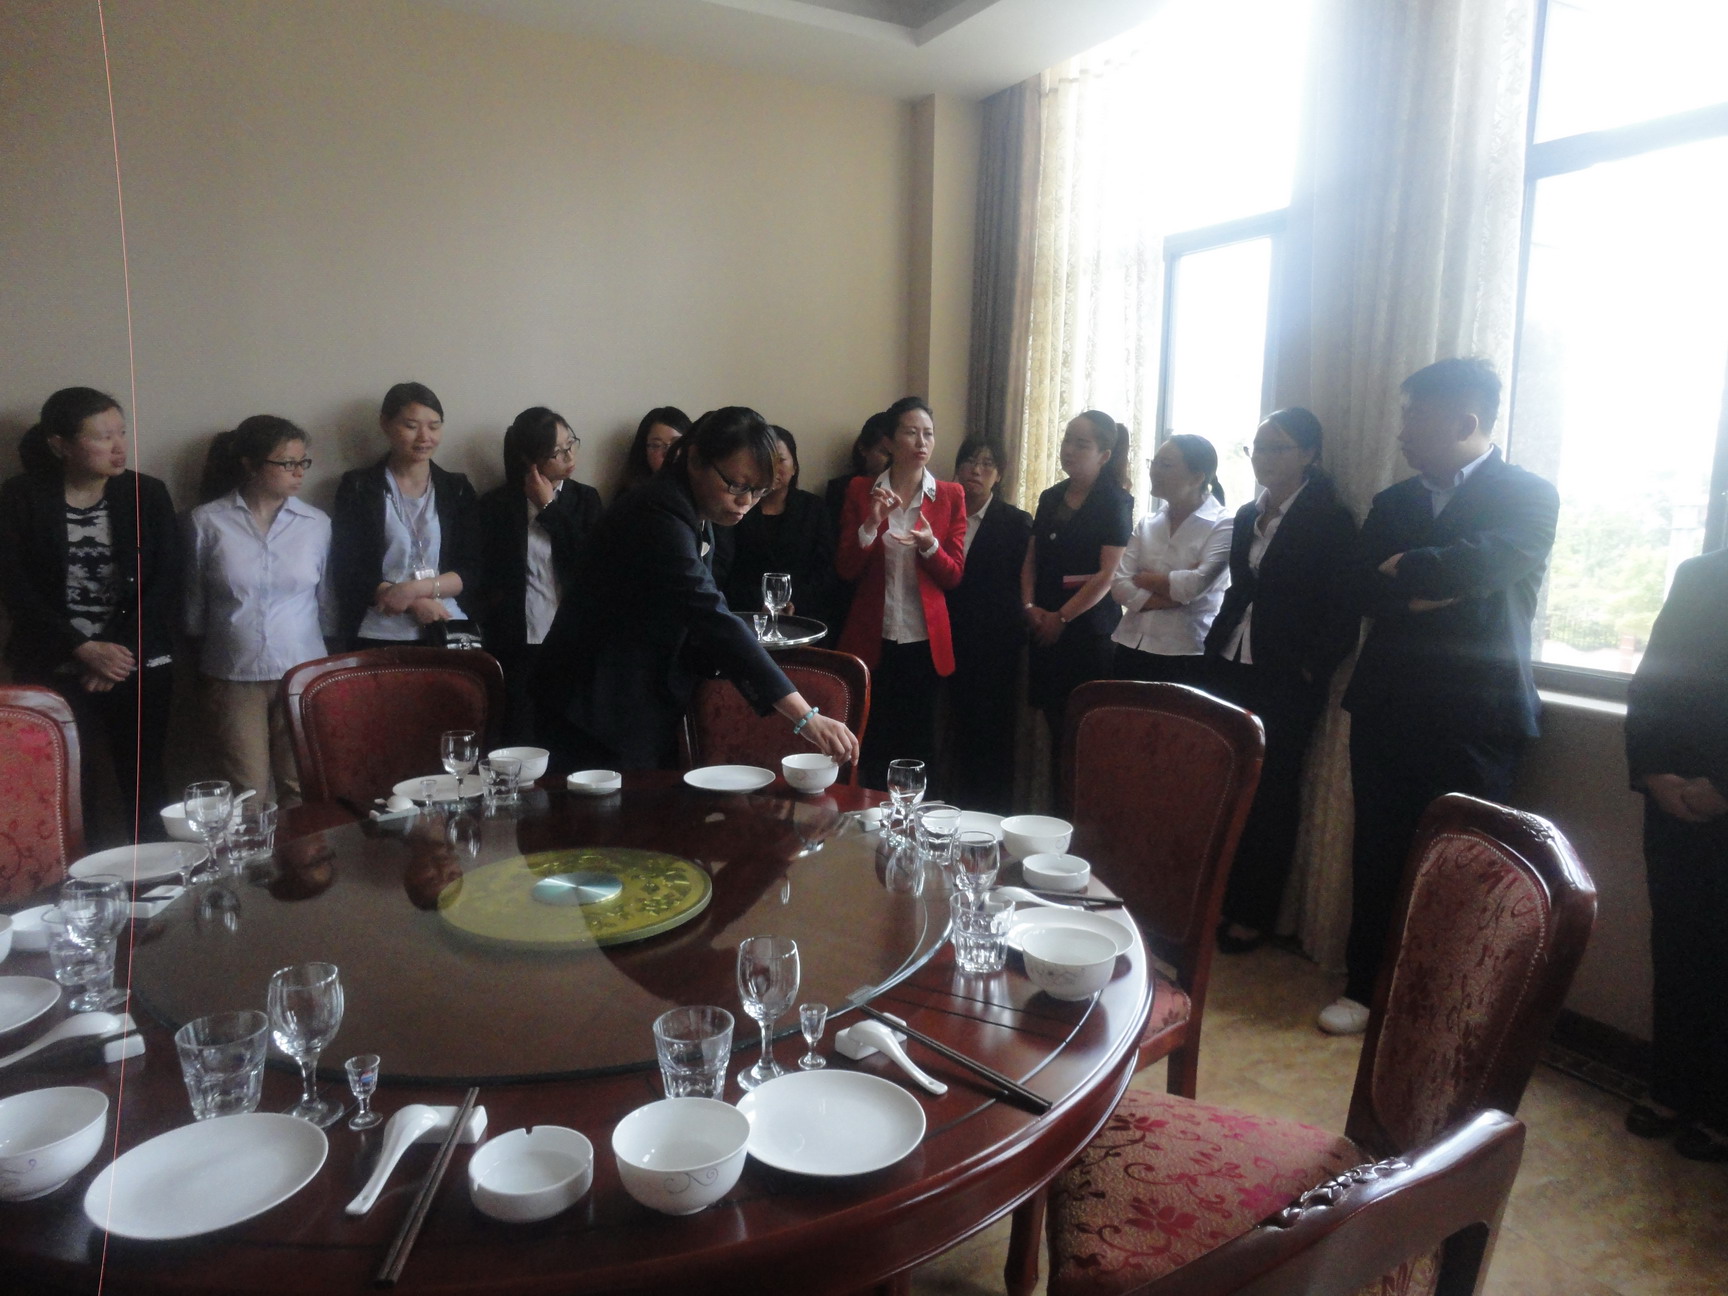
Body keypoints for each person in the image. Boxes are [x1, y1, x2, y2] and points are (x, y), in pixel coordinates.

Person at [1321, 357, 1558, 1035]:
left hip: (1476, 713)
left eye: (1413, 416)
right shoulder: (1393, 501)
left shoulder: (1529, 494)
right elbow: (1357, 587)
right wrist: (1421, 589)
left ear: (1464, 421)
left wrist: (1412, 567)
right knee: (1379, 852)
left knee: (1468, 862)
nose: (1401, 431)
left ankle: (1447, 1002)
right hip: (1387, 703)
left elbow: (1491, 560)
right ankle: (1365, 987)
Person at [532, 406, 858, 773]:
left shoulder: (697, 510)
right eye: (736, 485)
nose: (746, 502)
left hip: (634, 701)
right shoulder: (656, 512)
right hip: (591, 705)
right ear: (695, 459)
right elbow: (708, 612)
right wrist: (805, 716)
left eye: (759, 490)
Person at [1203, 409, 1360, 953]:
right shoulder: (1249, 513)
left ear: (1309, 455)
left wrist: (1309, 666)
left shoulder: (1330, 519)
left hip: (1287, 672)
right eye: (1259, 447)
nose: (1264, 458)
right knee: (1227, 782)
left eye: (1278, 447)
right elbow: (1241, 587)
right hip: (1232, 659)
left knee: (1272, 790)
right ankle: (1219, 897)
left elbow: (1342, 610)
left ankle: (1253, 910)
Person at [0, 387, 178, 841]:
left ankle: (155, 871)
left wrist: (114, 653)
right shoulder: (19, 497)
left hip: (135, 660)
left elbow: (165, 583)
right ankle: (86, 875)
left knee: (144, 777)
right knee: (70, 784)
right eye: (102, 437)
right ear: (60, 445)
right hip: (54, 664)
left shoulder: (146, 493)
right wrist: (82, 649)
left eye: (121, 433)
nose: (119, 447)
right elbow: (15, 588)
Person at [1623, 547, 1728, 1162]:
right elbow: (1652, 682)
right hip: (1674, 800)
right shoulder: (1700, 574)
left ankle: (1720, 1108)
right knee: (1678, 944)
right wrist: (1653, 773)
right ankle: (1671, 1087)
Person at [184, 415, 335, 803]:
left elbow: (327, 602)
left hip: (302, 670)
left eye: (303, 462)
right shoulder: (207, 521)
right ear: (250, 465)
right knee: (247, 790)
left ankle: (300, 848)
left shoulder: (316, 524)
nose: (298, 472)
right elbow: (193, 603)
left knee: (299, 786)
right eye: (286, 463)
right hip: (233, 672)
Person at [835, 396, 967, 790]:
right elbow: (845, 568)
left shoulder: (950, 495)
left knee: (920, 742)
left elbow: (953, 576)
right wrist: (871, 524)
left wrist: (929, 546)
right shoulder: (861, 490)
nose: (921, 442)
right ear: (889, 441)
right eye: (911, 433)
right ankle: (870, 816)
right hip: (872, 635)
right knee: (872, 739)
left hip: (924, 640)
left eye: (928, 434)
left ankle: (918, 818)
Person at [476, 407, 603, 745]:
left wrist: (550, 509)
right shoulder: (497, 506)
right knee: (521, 740)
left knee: (572, 742)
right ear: (529, 460)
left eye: (571, 443)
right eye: (556, 452)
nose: (570, 456)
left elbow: (592, 565)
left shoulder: (585, 500)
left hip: (573, 643)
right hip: (518, 645)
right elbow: (488, 577)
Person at [330, 382, 482, 650]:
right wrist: (413, 604)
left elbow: (472, 569)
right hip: (378, 630)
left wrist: (414, 590)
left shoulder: (456, 488)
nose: (424, 437)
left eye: (434, 426)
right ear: (385, 424)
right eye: (411, 426)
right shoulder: (358, 487)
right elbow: (348, 568)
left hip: (448, 626)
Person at [1023, 410, 1134, 757]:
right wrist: (1029, 606)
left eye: (1081, 444)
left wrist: (1062, 617)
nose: (1069, 449)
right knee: (1054, 726)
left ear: (1104, 455)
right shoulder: (1050, 497)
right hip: (1043, 624)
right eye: (1067, 440)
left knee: (1085, 735)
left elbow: (1107, 573)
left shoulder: (1115, 501)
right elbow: (1031, 559)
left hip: (1087, 631)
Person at [943, 436, 1032, 814]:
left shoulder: (1016, 522)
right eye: (969, 461)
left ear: (1000, 474)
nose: (975, 470)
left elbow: (1021, 586)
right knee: (948, 737)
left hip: (994, 647)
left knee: (991, 739)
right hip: (944, 641)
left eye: (987, 464)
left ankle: (989, 820)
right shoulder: (942, 513)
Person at [1109, 434, 1232, 684]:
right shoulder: (1148, 522)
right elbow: (1119, 586)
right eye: (1153, 463)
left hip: (1186, 650)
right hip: (1130, 643)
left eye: (1165, 465)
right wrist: (1174, 596)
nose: (1154, 471)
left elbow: (1194, 585)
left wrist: (1145, 579)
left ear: (1197, 478)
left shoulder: (1223, 524)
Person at [719, 425, 836, 635]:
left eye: (780, 460)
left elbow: (824, 569)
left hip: (805, 617)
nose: (772, 468)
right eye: (765, 460)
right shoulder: (738, 505)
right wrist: (761, 603)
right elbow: (726, 568)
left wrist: (791, 602)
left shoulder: (814, 508)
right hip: (745, 617)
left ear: (794, 466)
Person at [619, 406, 692, 497]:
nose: (668, 453)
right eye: (657, 445)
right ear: (644, 451)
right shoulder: (632, 498)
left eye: (677, 443)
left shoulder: (701, 492)